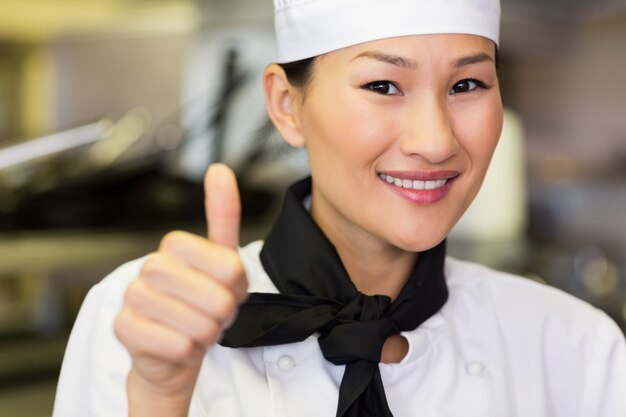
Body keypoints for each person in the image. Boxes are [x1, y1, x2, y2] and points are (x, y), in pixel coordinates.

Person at [53, 0, 626, 416]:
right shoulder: (140, 320)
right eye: (382, 86)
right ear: (286, 105)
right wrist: (158, 395)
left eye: (467, 85)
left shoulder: (576, 348)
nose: (435, 141)